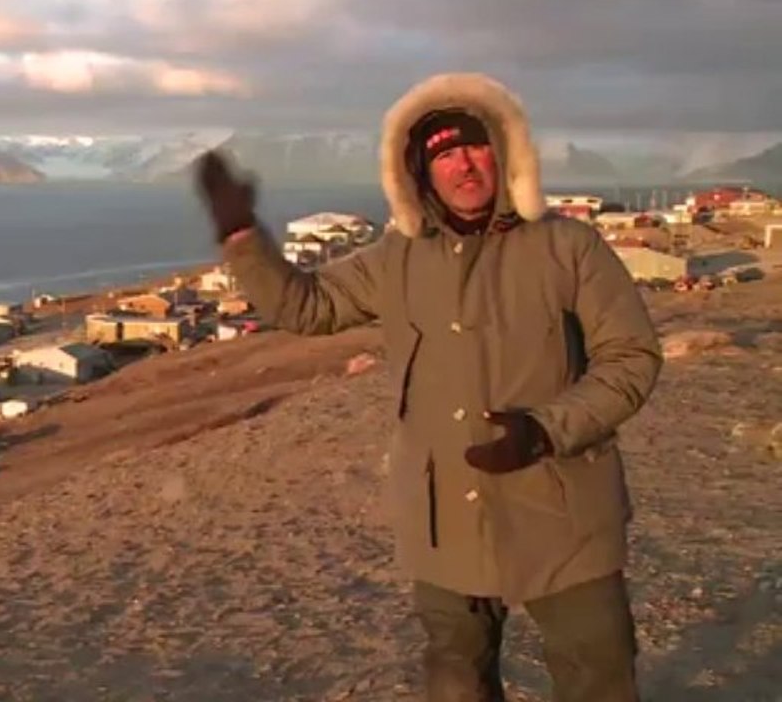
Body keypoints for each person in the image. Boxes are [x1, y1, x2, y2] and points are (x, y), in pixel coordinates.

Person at [194, 73, 662, 702]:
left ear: (504, 152)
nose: (462, 165)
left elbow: (631, 357)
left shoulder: (567, 246)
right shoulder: (397, 258)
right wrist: (243, 240)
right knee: (456, 675)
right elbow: (307, 307)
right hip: (446, 517)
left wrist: (549, 429)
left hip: (562, 506)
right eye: (443, 153)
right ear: (418, 174)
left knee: (595, 674)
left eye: (473, 147)